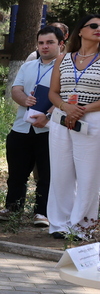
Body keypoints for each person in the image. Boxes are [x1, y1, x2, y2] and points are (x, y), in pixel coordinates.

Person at [0, 25, 62, 226]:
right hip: (22, 127)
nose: (45, 46)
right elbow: (16, 89)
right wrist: (25, 100)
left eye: (50, 42)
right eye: (41, 43)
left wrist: (47, 116)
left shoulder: (66, 67)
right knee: (17, 172)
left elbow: (66, 97)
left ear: (60, 43)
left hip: (48, 128)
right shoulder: (28, 66)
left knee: (47, 174)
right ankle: (12, 208)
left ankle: (42, 213)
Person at [46, 14, 100, 239]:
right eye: (94, 25)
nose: (98, 29)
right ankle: (59, 224)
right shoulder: (63, 58)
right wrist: (66, 108)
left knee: (88, 175)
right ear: (81, 30)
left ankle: (81, 227)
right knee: (61, 173)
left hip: (92, 119)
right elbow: (53, 92)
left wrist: (82, 110)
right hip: (62, 118)